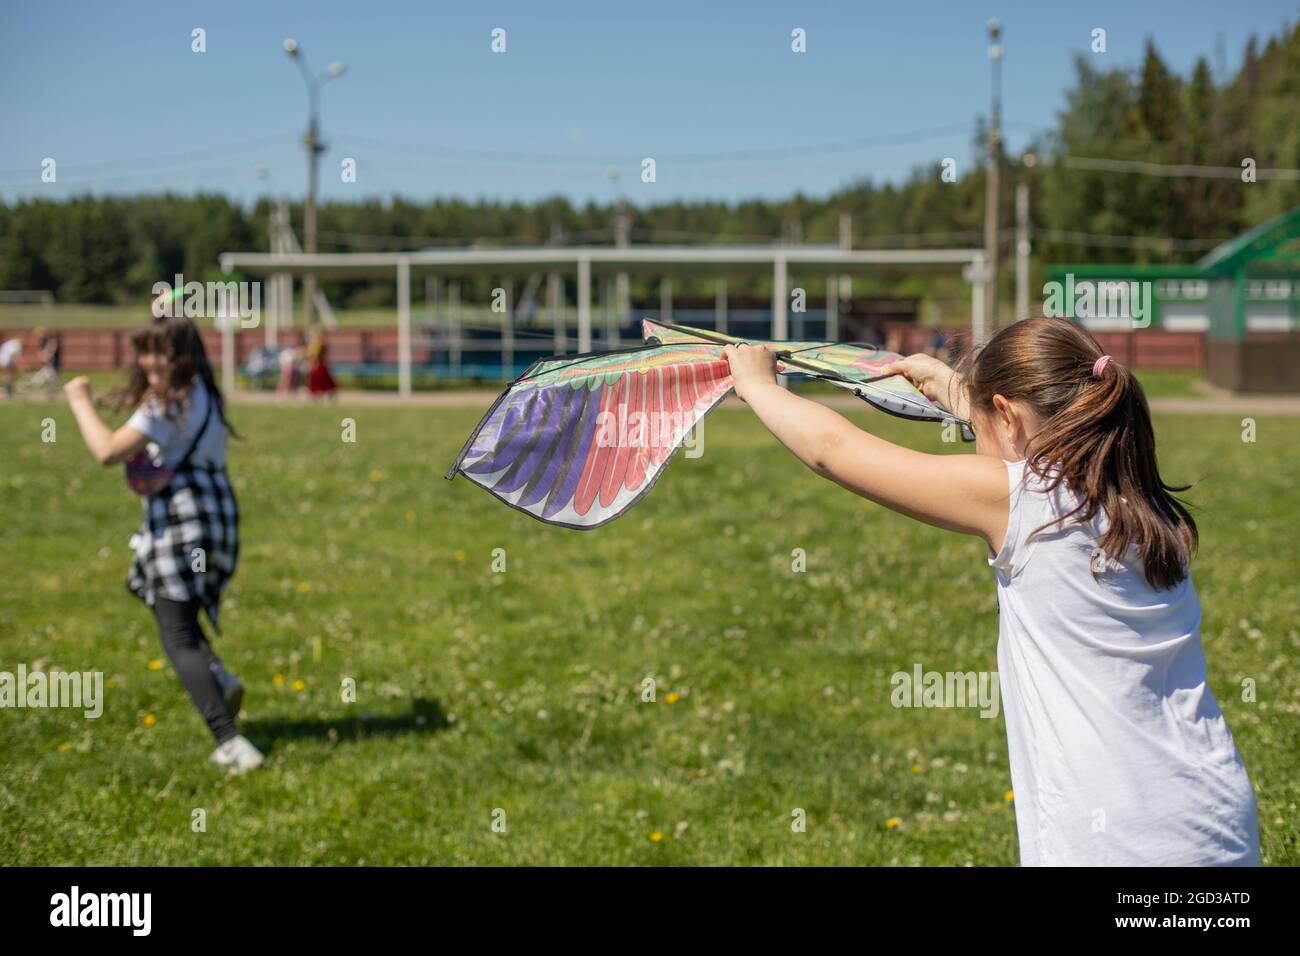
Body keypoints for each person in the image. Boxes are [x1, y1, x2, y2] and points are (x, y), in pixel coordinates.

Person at [723, 316, 1260, 866]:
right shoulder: (1136, 498)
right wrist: (961, 395)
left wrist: (759, 387)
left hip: (1116, 844)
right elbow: (1030, 439)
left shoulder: (1025, 503)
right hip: (1217, 823)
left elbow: (832, 449)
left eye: (978, 426)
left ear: (1006, 415)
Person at [63, 315, 263, 774]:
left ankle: (231, 744)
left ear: (182, 356)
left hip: (181, 521)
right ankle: (218, 675)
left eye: (160, 352)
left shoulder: (166, 404)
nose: (149, 361)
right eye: (145, 351)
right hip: (217, 518)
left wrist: (78, 401)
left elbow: (106, 451)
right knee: (154, 592)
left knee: (175, 632)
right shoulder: (206, 396)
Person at [306, 333, 337, 399]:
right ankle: (317, 394)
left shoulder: (322, 347)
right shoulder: (316, 346)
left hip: (321, 366)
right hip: (318, 366)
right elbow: (312, 357)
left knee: (324, 380)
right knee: (317, 380)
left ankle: (324, 393)